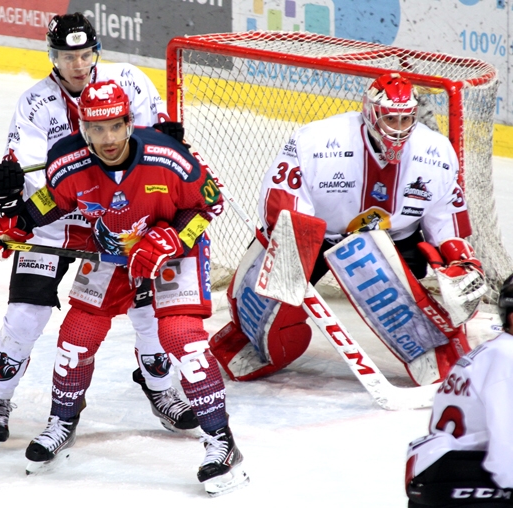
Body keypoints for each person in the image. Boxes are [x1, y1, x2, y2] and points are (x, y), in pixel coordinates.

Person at [0, 81, 248, 496]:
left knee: (182, 340)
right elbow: (53, 199)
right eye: (96, 129)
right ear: (83, 128)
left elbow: (209, 204)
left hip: (176, 248)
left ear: (128, 123)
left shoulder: (168, 157)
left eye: (115, 127)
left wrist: (170, 239)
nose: (107, 139)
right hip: (112, 250)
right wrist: (16, 225)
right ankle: (63, 421)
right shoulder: (68, 160)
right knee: (75, 338)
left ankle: (222, 444)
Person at [0, 12, 197, 454]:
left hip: (122, 221)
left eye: (84, 54)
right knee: (26, 314)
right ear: (52, 56)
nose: (77, 65)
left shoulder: (129, 83)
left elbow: (154, 152)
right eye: (66, 56)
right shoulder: (36, 104)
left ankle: (160, 387)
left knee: (148, 313)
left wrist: (171, 144)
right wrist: (7, 200)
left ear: (96, 52)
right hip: (60, 219)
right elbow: (37, 184)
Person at [211, 73, 487, 386]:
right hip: (313, 237)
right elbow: (282, 199)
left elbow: (444, 215)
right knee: (268, 317)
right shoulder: (317, 140)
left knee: (424, 333)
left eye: (405, 119)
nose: (399, 129)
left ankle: (434, 347)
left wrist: (460, 261)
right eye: (391, 119)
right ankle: (249, 337)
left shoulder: (435, 152)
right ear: (370, 113)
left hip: (391, 241)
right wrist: (290, 250)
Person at [405, 273, 513, 508]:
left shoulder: (495, 350)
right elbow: (506, 451)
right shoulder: (507, 359)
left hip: (441, 476)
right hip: (463, 481)